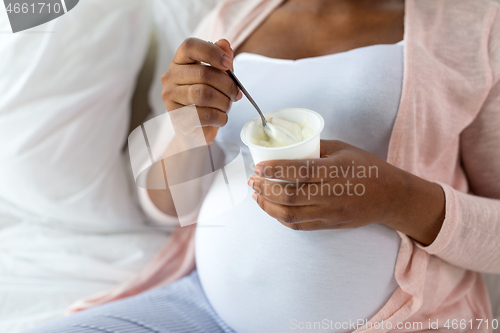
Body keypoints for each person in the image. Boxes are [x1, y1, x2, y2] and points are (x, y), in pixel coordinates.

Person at [28, 0, 500, 332]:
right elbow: (168, 207)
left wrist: (397, 198)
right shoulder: (232, 15)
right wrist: (186, 126)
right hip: (202, 308)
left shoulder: (473, 25)